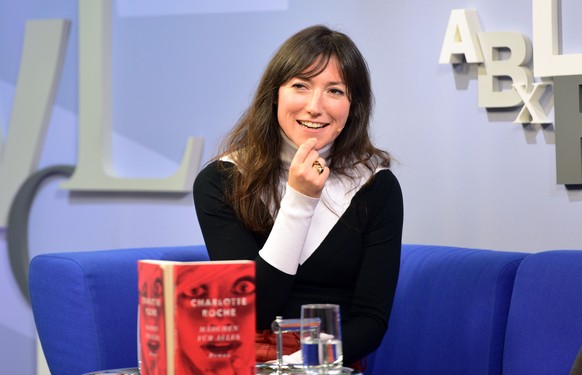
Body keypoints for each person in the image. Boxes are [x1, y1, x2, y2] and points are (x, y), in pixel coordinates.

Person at [193, 24, 403, 370]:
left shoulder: (375, 187)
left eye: (334, 90)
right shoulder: (222, 179)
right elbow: (256, 310)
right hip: (248, 360)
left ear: (354, 105)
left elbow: (371, 321)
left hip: (327, 362)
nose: (314, 106)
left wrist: (300, 365)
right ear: (275, 94)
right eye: (300, 86)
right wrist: (300, 200)